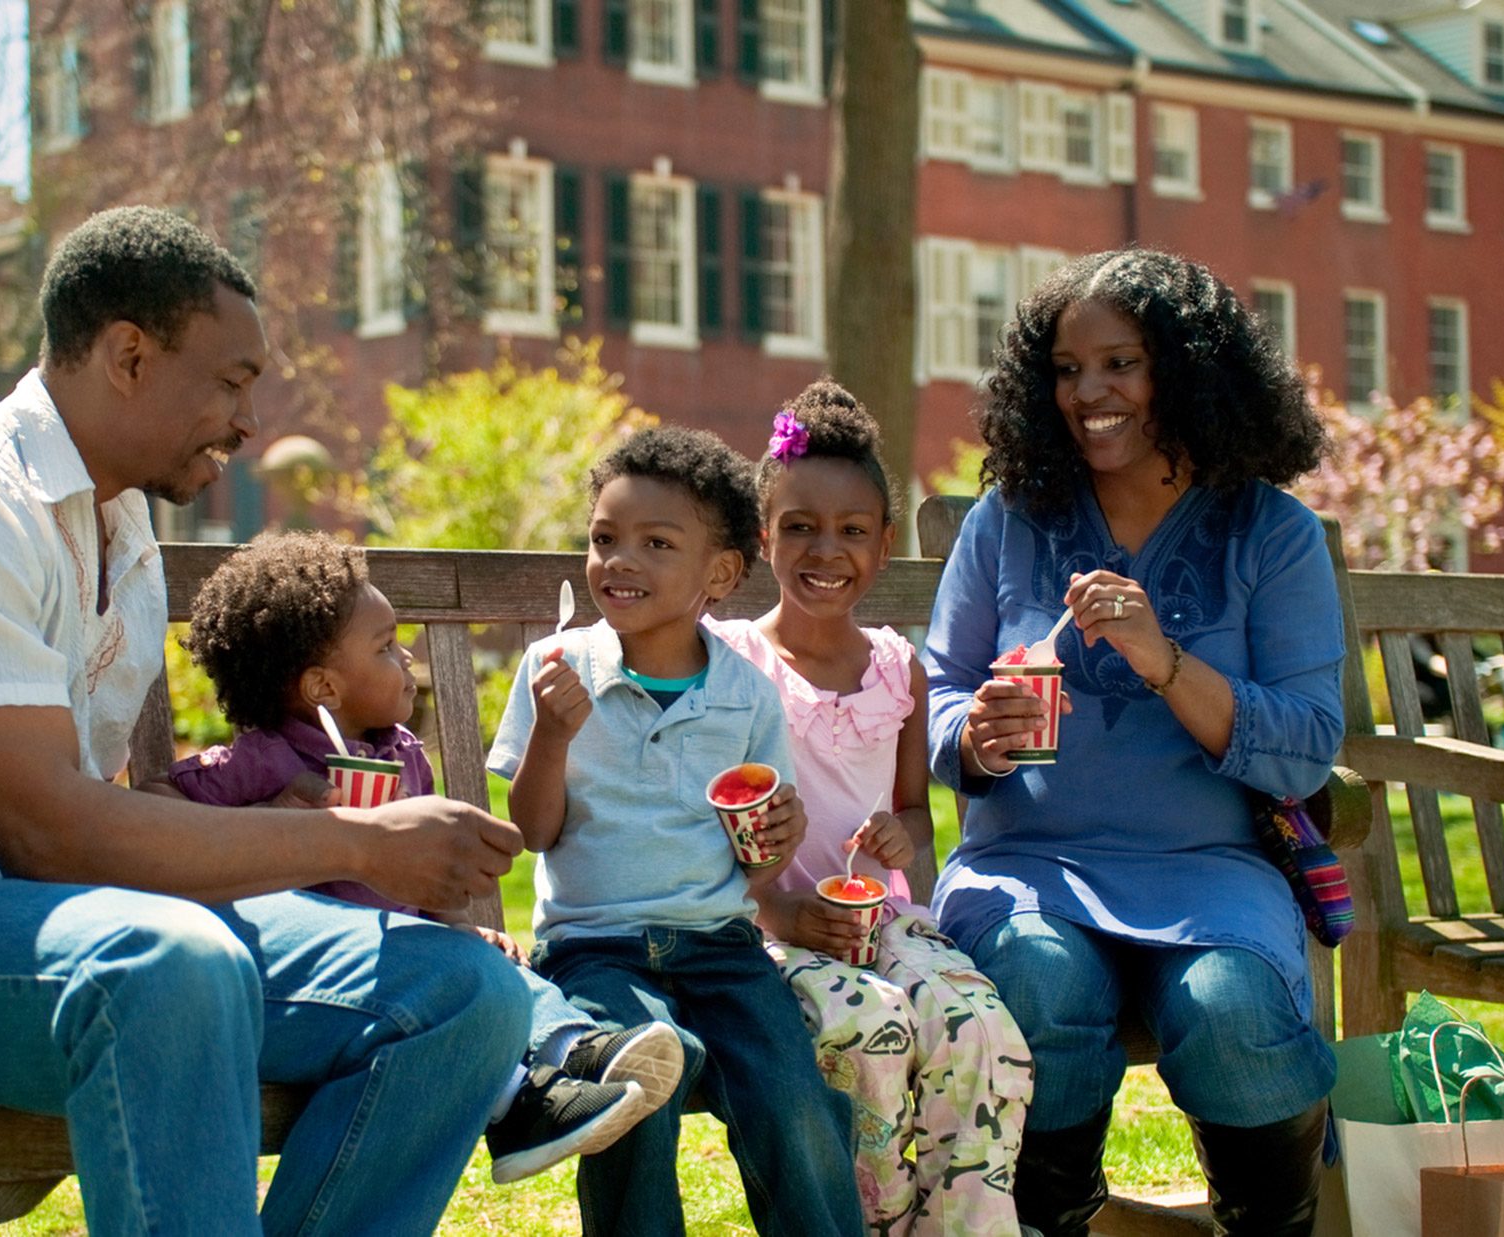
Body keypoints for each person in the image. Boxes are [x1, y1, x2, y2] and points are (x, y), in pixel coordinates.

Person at [0, 205, 538, 1236]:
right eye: (230, 380)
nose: (245, 420)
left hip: (88, 928)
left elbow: (100, 814)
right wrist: (354, 840)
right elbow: (40, 830)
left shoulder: (113, 517)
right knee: (172, 960)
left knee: (465, 992)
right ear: (128, 355)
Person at [923, 248, 1343, 1237]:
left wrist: (1165, 661)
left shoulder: (1271, 535)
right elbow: (941, 691)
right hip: (1026, 866)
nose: (1088, 393)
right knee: (1037, 976)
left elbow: (1304, 747)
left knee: (1231, 1001)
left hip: (1206, 868)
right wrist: (977, 734)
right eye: (1068, 371)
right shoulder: (1009, 520)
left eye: (1120, 364)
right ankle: (1046, 1224)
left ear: (1187, 371)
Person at [153, 530, 684, 1183]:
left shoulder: (403, 751)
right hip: (325, 978)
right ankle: (521, 1095)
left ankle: (577, 1049)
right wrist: (261, 822)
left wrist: (464, 925)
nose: (406, 656)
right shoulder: (263, 757)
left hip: (414, 949)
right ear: (323, 686)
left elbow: (430, 882)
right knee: (458, 983)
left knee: (492, 962)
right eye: (384, 647)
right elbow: (162, 803)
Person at [487, 426, 865, 1236]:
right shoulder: (556, 669)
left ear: (719, 574)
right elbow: (532, 831)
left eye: (655, 543)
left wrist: (777, 836)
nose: (618, 559)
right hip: (597, 945)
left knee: (794, 1105)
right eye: (604, 538)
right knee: (636, 1086)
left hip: (722, 948)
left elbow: (758, 866)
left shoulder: (747, 696)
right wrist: (552, 734)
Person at [707, 381, 1034, 1236]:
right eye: (800, 526)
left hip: (878, 918)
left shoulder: (899, 669)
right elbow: (701, 827)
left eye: (852, 530)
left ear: (884, 545)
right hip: (766, 928)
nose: (827, 548)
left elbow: (913, 815)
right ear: (762, 535)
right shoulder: (733, 665)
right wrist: (773, 902)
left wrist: (900, 834)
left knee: (979, 1028)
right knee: (872, 1033)